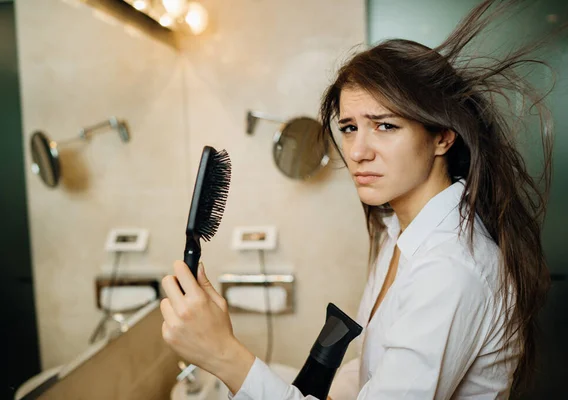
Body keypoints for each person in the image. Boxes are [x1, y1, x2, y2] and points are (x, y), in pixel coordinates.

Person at [159, 0, 561, 398]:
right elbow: (377, 368)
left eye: (385, 125)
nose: (357, 151)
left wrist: (225, 355)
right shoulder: (396, 232)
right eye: (349, 127)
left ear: (442, 136)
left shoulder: (451, 270)